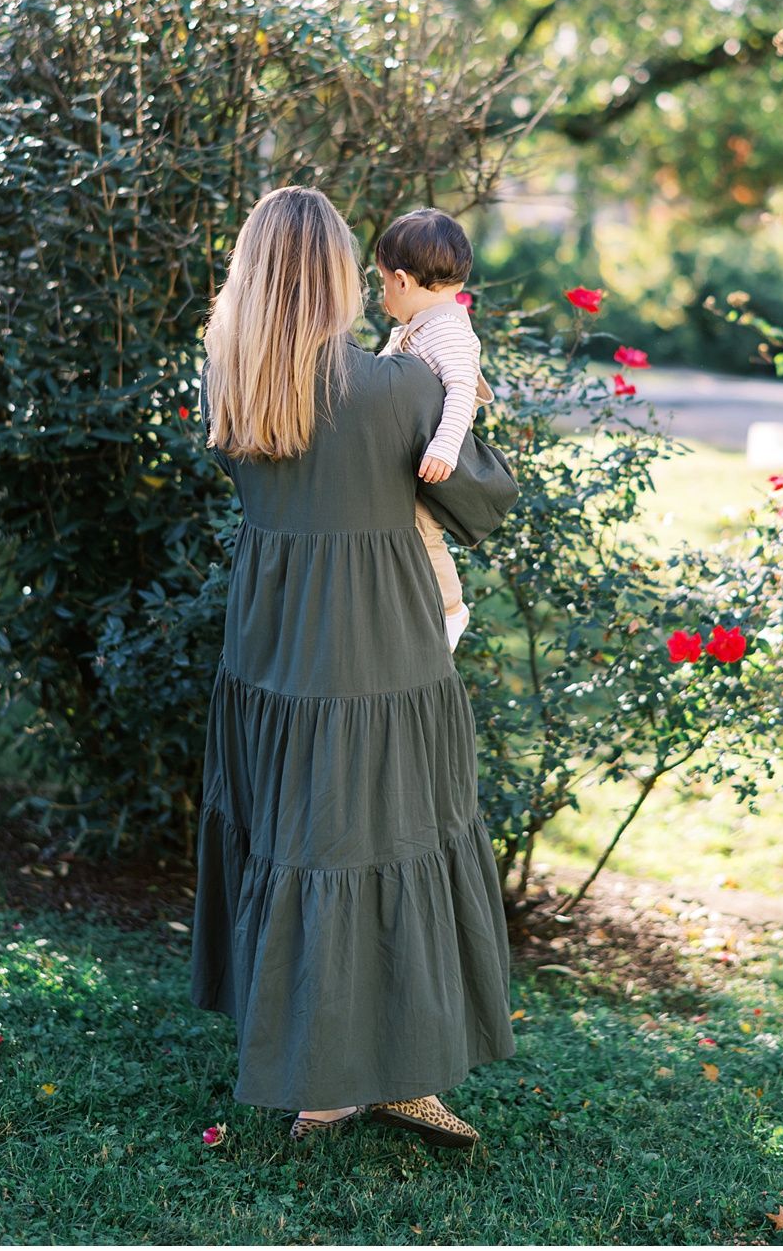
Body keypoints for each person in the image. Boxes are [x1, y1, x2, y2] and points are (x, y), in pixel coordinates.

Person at [190, 186, 518, 1148]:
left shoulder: (234, 379)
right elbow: (481, 498)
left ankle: (329, 1075)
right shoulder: (401, 387)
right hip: (380, 649)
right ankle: (374, 1074)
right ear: (341, 274)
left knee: (298, 836)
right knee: (389, 833)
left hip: (274, 645)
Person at [375, 208, 493, 652]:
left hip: (434, 458)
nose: (383, 295)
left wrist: (445, 447)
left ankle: (450, 610)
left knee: (423, 534)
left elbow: (462, 390)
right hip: (419, 452)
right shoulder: (427, 325)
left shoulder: (445, 330)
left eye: (384, 283)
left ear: (403, 281)